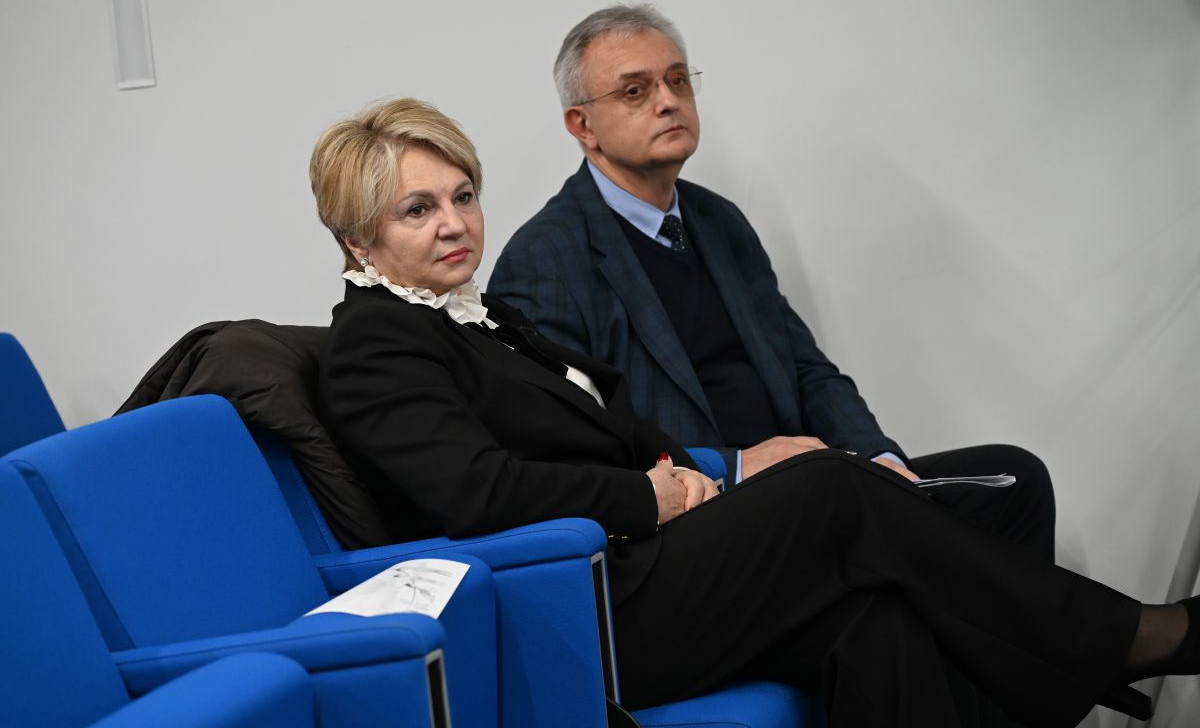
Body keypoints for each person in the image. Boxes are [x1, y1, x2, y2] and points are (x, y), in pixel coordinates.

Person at [310, 96, 1197, 728]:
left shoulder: (477, 314)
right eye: (419, 209)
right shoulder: (376, 341)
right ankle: (1127, 637)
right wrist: (647, 495)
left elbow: (615, 420)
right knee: (829, 488)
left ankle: (1090, 650)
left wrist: (684, 471)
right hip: (582, 603)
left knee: (873, 619)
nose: (455, 223)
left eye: (462, 196)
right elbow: (477, 493)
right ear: (359, 238)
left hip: (648, 561)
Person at [487, 4, 1056, 567]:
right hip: (702, 512)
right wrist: (733, 466)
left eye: (678, 80)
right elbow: (576, 451)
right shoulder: (544, 258)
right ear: (583, 125)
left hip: (810, 479)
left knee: (1013, 478)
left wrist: (881, 459)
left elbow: (806, 369)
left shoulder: (718, 220)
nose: (668, 101)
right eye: (635, 91)